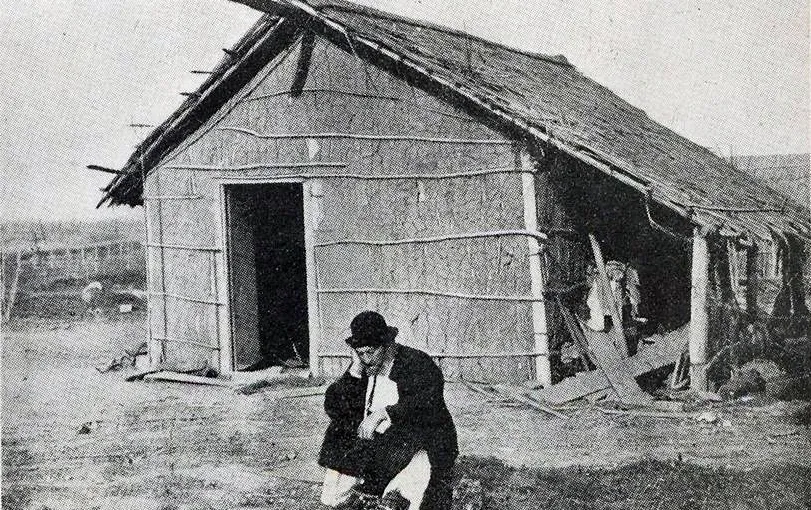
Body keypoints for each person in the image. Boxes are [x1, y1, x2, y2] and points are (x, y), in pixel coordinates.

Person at [318, 311, 458, 510]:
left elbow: (428, 403)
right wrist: (354, 372)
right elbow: (334, 407)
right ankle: (347, 495)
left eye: (371, 352)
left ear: (386, 344)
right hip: (379, 445)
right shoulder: (364, 364)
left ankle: (395, 495)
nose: (366, 359)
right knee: (339, 429)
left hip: (416, 442)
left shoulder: (415, 362)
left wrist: (385, 413)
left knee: (405, 490)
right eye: (360, 353)